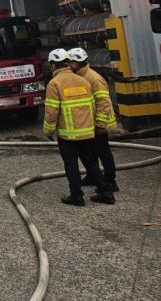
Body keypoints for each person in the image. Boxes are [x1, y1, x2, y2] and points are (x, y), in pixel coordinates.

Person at [43, 49, 115, 206]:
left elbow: (51, 111)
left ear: (54, 65)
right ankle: (106, 192)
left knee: (71, 164)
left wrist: (48, 130)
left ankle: (76, 195)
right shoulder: (83, 81)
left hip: (67, 134)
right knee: (91, 163)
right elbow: (92, 106)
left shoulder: (54, 84)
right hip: (87, 132)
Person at [68, 47, 118, 192]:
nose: (68, 66)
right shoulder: (81, 76)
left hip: (99, 122)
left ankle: (111, 181)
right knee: (91, 152)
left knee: (104, 152)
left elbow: (103, 102)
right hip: (90, 122)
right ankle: (93, 176)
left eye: (70, 62)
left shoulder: (93, 78)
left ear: (76, 63)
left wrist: (100, 124)